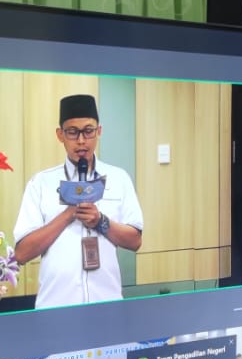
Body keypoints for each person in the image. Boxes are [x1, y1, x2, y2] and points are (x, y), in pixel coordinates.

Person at [13, 94, 144, 308]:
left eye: (88, 131)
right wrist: (68, 214)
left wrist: (100, 221)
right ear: (60, 135)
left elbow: (135, 241)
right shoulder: (41, 183)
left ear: (99, 131)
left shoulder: (118, 178)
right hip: (56, 306)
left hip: (107, 304)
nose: (81, 141)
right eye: (73, 132)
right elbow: (22, 253)